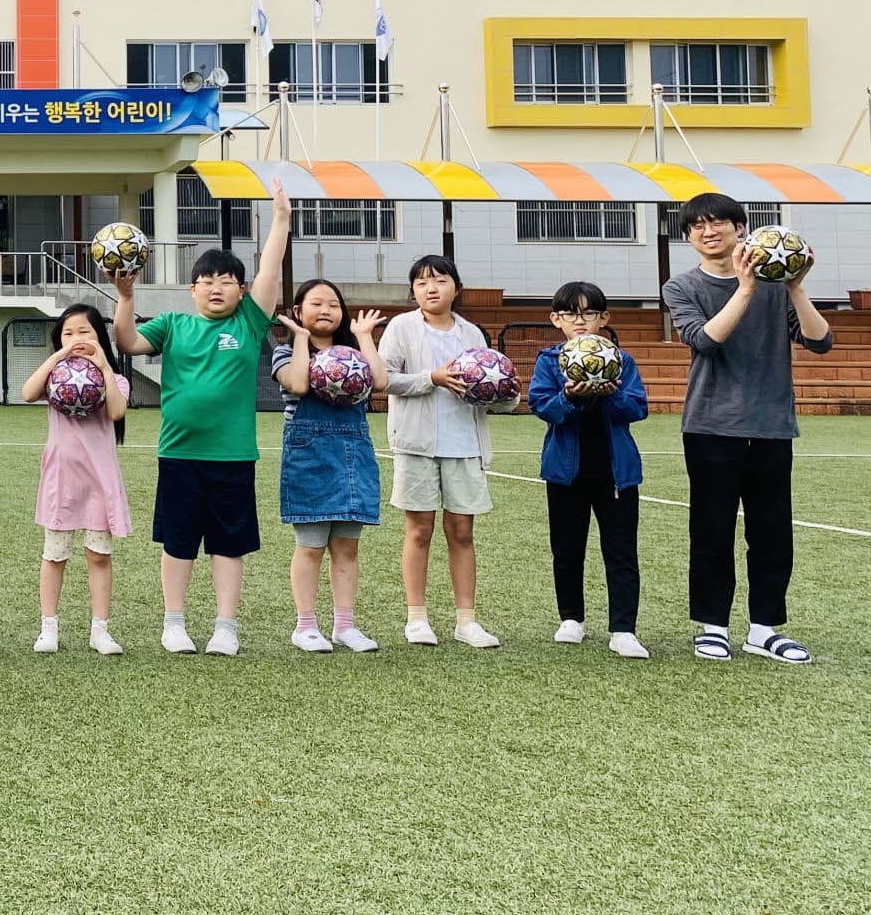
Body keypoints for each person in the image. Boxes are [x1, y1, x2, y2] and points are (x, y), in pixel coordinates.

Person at [113, 180, 290, 657]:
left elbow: (270, 271)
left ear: (241, 290)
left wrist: (280, 220)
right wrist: (126, 297)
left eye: (227, 280)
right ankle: (174, 624)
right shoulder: (173, 324)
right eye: (207, 281)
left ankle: (225, 627)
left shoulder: (249, 324)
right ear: (192, 289)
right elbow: (126, 343)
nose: (216, 287)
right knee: (178, 542)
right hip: (179, 454)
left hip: (233, 455)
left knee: (228, 545)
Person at [663, 192, 832, 664]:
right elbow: (704, 341)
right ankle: (713, 626)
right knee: (712, 530)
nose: (709, 231)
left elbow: (820, 342)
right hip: (712, 425)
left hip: (773, 424)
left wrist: (796, 285)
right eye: (697, 226)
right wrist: (746, 287)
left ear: (742, 228)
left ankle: (765, 628)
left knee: (773, 531)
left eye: (719, 222)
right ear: (689, 236)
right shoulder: (681, 287)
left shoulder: (779, 288)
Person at [379, 254, 505, 649]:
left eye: (439, 280)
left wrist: (503, 393)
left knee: (462, 531)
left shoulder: (472, 333)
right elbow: (383, 379)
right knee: (419, 530)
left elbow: (487, 386)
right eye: (421, 282)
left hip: (465, 443)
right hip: (416, 443)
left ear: (456, 287)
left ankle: (466, 620)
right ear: (413, 290)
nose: (430, 288)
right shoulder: (401, 327)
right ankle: (417, 617)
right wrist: (431, 378)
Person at [528, 281, 650, 660]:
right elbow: (542, 406)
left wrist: (609, 392)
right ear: (556, 320)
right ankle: (571, 618)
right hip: (565, 472)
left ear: (604, 318)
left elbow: (637, 408)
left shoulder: (623, 361)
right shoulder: (549, 361)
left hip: (616, 473)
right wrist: (569, 395)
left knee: (621, 551)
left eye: (589, 313)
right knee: (566, 548)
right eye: (570, 313)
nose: (579, 320)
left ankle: (623, 628)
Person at [271, 279, 387, 654]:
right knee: (310, 546)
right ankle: (305, 625)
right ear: (298, 311)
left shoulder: (353, 352)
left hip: (354, 452)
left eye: (333, 304)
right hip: (309, 453)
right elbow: (300, 385)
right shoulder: (285, 353)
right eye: (316, 303)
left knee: (347, 547)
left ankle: (345, 625)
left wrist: (364, 336)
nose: (325, 310)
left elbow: (381, 382)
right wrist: (302, 338)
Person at [20, 303, 130, 656]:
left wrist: (101, 365)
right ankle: (48, 627)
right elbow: (27, 392)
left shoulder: (117, 378)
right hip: (62, 478)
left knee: (99, 556)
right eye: (68, 333)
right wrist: (57, 358)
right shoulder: (55, 380)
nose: (76, 339)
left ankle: (100, 630)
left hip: (99, 478)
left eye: (84, 332)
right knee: (54, 555)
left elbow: (115, 411)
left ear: (100, 336)